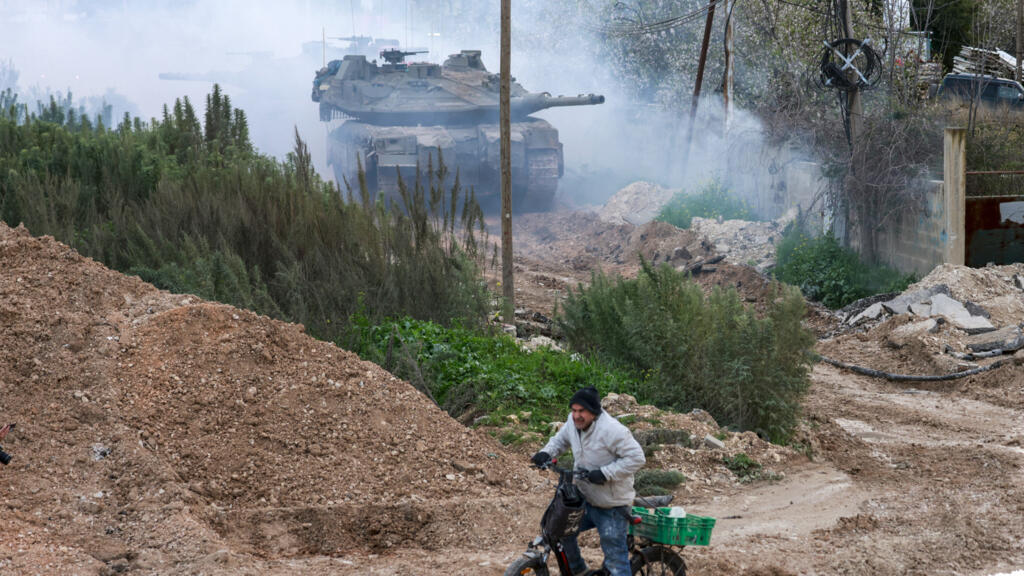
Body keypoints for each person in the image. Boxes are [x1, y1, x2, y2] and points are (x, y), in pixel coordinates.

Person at [531, 386, 645, 576]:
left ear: (594, 412)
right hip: (584, 498)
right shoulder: (573, 423)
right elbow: (560, 441)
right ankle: (579, 571)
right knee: (560, 530)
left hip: (612, 505)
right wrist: (546, 453)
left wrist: (605, 473)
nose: (576, 416)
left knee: (616, 561)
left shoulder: (612, 430)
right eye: (574, 410)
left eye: (582, 411)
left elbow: (637, 458)